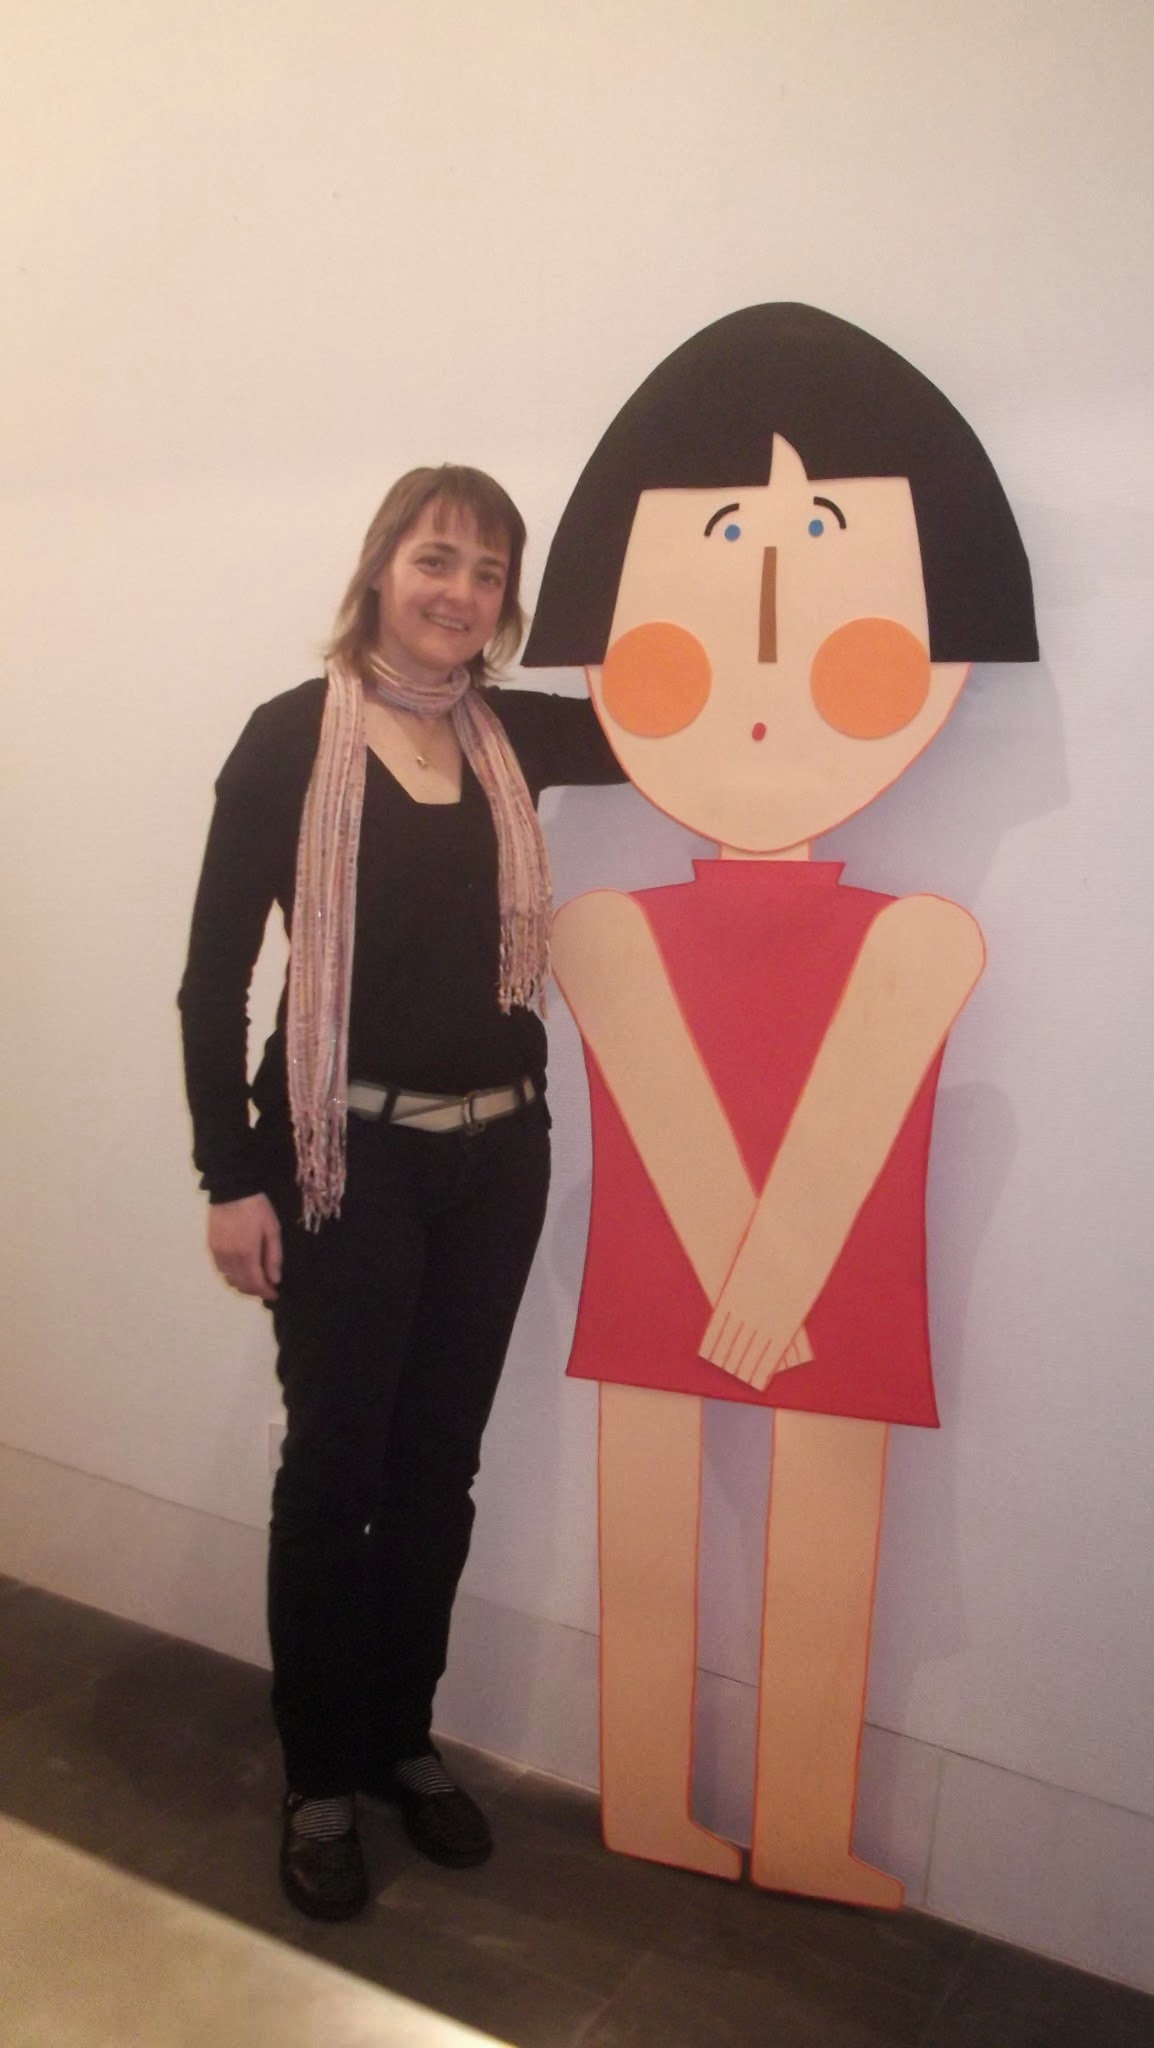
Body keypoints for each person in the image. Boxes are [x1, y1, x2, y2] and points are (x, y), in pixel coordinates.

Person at [521, 304, 1037, 1905]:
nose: (760, 682)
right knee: (649, 1528)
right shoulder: (600, 931)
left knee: (827, 1535)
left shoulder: (917, 941)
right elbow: (669, 1116)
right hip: (700, 1264)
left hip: (821, 1273)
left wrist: (766, 1284)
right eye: (691, 636)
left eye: (832, 638)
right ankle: (648, 1801)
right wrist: (755, 1286)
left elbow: (850, 1125)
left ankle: (805, 1828)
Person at [179, 464, 623, 1920]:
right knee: (337, 1473)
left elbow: (677, 719)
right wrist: (230, 1176)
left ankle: (398, 1739)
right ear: (381, 567)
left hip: (498, 1159)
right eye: (438, 559)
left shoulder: (518, 735)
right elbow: (212, 982)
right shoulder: (286, 740)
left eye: (491, 573)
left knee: (439, 1468)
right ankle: (319, 1774)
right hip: (340, 1164)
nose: (461, 593)